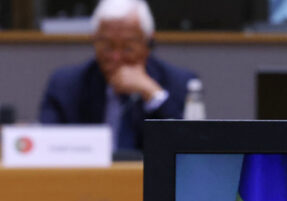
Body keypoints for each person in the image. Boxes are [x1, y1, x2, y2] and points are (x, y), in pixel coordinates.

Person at [38, 0, 197, 152]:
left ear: (148, 44)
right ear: (94, 41)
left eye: (127, 48)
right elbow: (47, 147)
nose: (116, 57)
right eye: (107, 47)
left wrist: (153, 94)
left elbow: (190, 147)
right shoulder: (66, 86)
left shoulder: (180, 83)